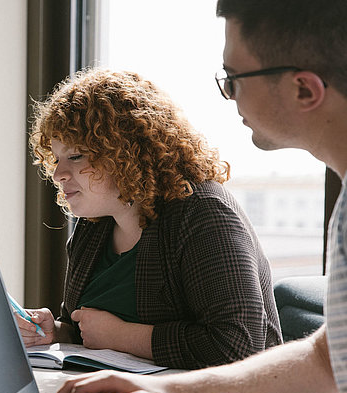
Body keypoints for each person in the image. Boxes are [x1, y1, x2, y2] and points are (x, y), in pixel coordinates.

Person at [49, 0, 347, 393]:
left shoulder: (203, 213)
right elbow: (325, 360)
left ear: (303, 88)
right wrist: (154, 390)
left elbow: (238, 345)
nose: (227, 95)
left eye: (233, 77)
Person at [19, 68, 281, 369]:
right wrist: (56, 332)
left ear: (126, 152)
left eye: (76, 157)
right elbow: (89, 330)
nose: (58, 174)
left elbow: (237, 347)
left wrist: (121, 336)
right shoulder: (95, 225)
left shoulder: (205, 215)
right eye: (56, 159)